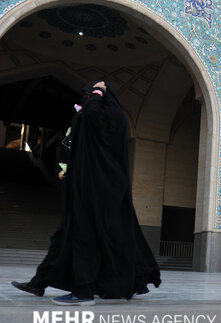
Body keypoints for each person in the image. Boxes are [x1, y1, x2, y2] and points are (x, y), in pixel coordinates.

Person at [11, 81, 161, 305]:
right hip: (90, 189)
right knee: (63, 238)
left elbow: (91, 116)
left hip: (100, 191)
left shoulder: (110, 118)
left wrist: (98, 91)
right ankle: (39, 282)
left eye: (91, 95)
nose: (88, 99)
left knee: (89, 238)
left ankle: (84, 292)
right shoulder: (106, 118)